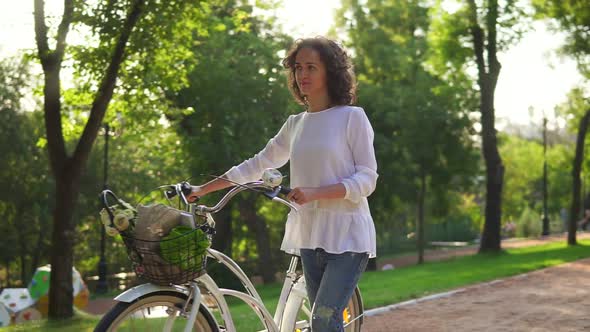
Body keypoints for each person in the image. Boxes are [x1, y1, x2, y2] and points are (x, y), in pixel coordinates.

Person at [188, 36, 378, 332]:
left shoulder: (351, 117)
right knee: (320, 324)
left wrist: (317, 193)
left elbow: (367, 178)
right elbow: (258, 164)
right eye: (298, 67)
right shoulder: (295, 124)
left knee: (324, 320)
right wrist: (203, 190)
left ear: (330, 71)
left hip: (348, 236)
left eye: (311, 67)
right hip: (309, 235)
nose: (302, 75)